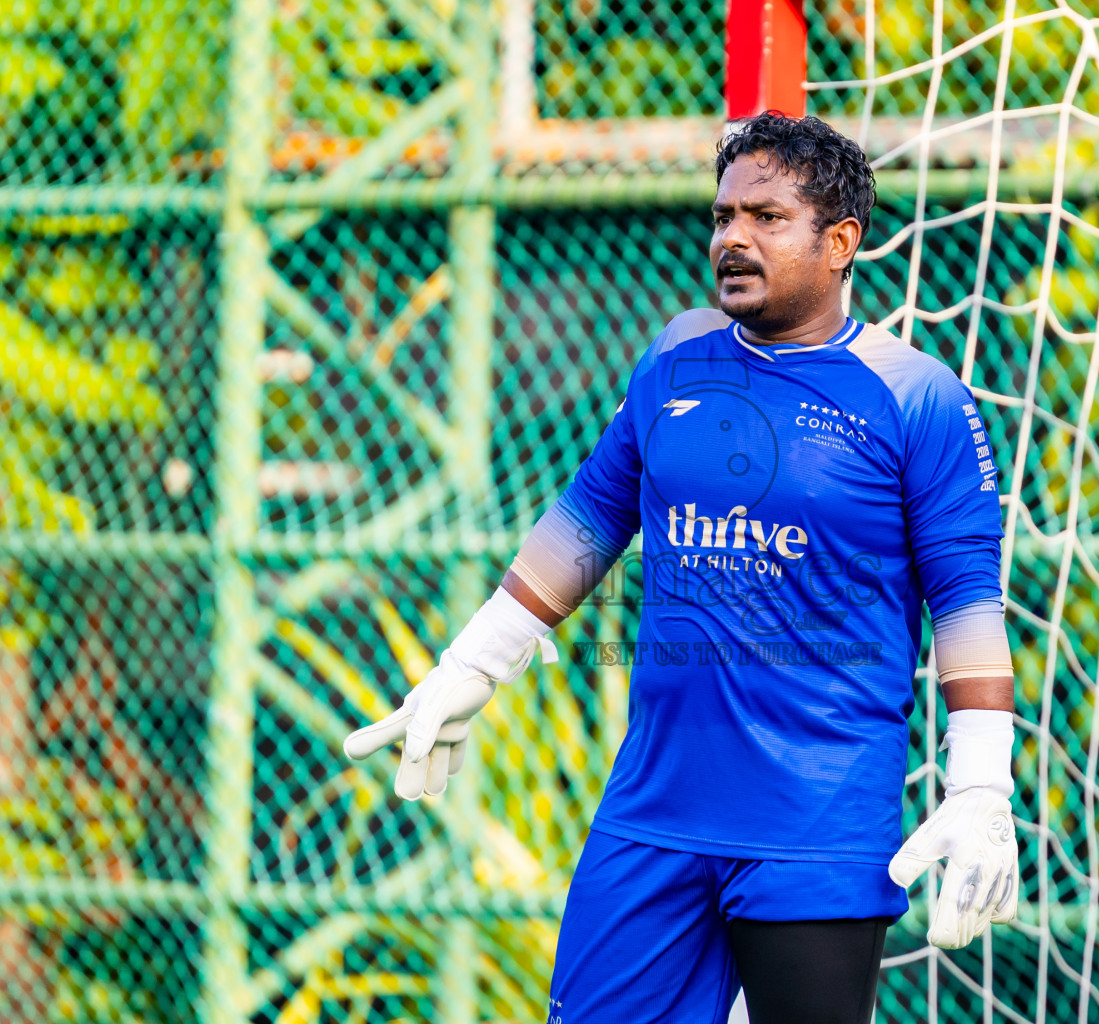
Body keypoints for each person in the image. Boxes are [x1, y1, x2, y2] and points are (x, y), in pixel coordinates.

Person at [343, 110, 1021, 1024]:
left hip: (814, 829)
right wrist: (473, 665)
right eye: (723, 215)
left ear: (840, 243)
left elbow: (968, 600)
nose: (733, 237)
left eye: (767, 218)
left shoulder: (917, 396)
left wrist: (980, 783)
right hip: (651, 818)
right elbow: (589, 517)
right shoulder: (676, 356)